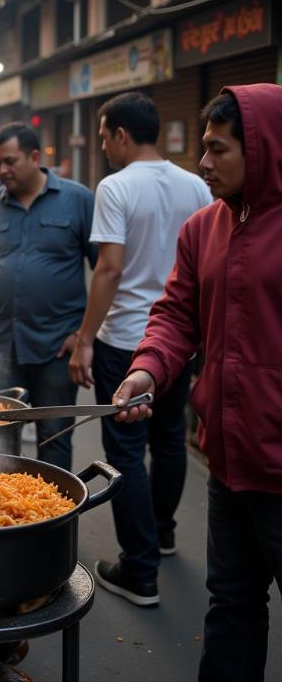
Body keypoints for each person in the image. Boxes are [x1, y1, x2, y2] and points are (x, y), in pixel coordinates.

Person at [112, 85, 282, 681]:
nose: (204, 162)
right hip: (229, 460)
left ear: (263, 151)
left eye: (219, 148)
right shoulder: (202, 226)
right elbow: (176, 313)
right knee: (232, 604)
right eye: (203, 147)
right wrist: (145, 369)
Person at [67, 92, 211, 606]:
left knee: (125, 451)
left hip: (126, 341)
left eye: (104, 136)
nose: (104, 146)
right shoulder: (196, 183)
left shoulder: (116, 186)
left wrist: (84, 339)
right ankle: (164, 533)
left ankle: (140, 569)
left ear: (121, 135)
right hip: (179, 343)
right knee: (169, 440)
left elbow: (108, 268)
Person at [0, 123, 97, 470]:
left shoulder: (78, 200)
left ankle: (53, 522)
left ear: (35, 157)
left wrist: (83, 336)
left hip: (57, 349)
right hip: (4, 347)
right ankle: (5, 518)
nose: (1, 170)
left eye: (9, 161)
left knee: (54, 439)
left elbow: (106, 273)